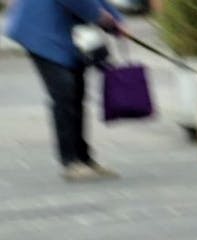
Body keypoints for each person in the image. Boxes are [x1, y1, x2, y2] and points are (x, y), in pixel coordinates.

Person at [4, 0, 123, 181]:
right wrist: (102, 17)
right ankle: (70, 162)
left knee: (77, 93)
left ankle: (84, 159)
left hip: (67, 31)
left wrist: (117, 20)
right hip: (42, 30)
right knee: (64, 93)